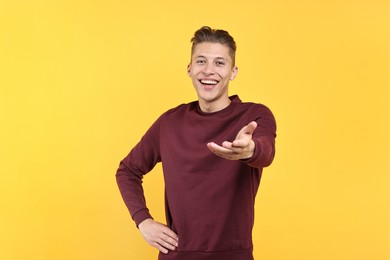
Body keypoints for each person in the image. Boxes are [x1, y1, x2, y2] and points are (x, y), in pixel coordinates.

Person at [116, 26, 277, 260]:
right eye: (201, 61)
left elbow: (266, 151)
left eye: (220, 63)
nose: (209, 71)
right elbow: (128, 170)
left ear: (233, 72)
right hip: (176, 255)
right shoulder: (169, 122)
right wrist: (143, 220)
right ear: (190, 69)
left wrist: (250, 150)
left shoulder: (254, 115)